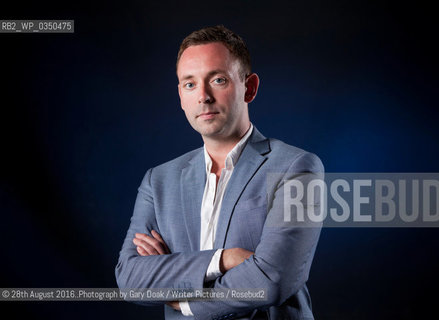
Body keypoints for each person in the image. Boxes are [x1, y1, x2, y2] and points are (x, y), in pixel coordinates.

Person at [115, 25, 324, 320]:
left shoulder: (297, 168)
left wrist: (182, 299)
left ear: (249, 88)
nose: (203, 96)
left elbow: (271, 280)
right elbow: (131, 280)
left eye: (218, 79)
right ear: (180, 96)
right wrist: (223, 259)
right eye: (190, 84)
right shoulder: (158, 181)